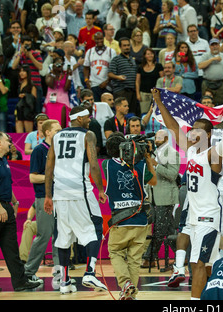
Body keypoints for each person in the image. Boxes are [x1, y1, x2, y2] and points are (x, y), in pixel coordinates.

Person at [152, 87, 223, 300]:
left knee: (197, 264)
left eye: (197, 130)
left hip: (208, 217)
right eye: (192, 130)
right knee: (206, 266)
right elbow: (171, 126)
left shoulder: (212, 154)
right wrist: (159, 102)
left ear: (207, 135)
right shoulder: (190, 150)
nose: (192, 133)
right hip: (195, 217)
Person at [44, 106, 108, 294]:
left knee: (63, 236)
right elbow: (94, 165)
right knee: (96, 226)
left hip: (60, 193)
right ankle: (89, 272)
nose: (90, 120)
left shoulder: (56, 137)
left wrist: (48, 195)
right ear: (79, 119)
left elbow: (49, 168)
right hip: (80, 191)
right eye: (87, 117)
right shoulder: (87, 135)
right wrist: (101, 189)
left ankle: (64, 282)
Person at [102, 132, 157, 300]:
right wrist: (146, 157)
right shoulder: (140, 165)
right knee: (134, 259)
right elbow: (153, 181)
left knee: (115, 251)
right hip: (140, 221)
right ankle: (130, 294)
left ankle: (125, 283)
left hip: (120, 220)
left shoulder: (106, 165)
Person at [0, 132, 39, 292]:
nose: (11, 142)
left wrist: (14, 201)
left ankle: (20, 281)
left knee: (11, 247)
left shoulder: (3, 159)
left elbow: (5, 184)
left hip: (6, 206)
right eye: (8, 140)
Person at [25, 119, 62, 285]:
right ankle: (28, 272)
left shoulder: (60, 149)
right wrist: (52, 177)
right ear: (47, 132)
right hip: (44, 198)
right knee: (43, 235)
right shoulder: (39, 151)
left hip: (60, 198)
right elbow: (33, 177)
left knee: (59, 236)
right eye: (57, 129)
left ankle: (59, 273)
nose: (60, 132)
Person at [142, 129, 180, 269]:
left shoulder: (172, 153)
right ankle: (181, 255)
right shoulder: (154, 152)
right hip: (154, 196)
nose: (155, 140)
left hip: (166, 196)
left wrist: (156, 165)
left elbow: (173, 175)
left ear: (165, 139)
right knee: (168, 228)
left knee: (159, 229)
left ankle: (149, 258)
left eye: (158, 137)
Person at [11, 35, 44, 114]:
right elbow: (13, 67)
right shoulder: (20, 55)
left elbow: (40, 67)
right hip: (24, 86)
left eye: (29, 45)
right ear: (22, 45)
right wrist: (19, 53)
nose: (27, 46)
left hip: (36, 84)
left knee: (37, 109)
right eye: (26, 44)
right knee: (25, 110)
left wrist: (31, 56)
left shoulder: (35, 54)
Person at [108, 37, 139, 116]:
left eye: (128, 45)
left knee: (132, 114)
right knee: (122, 114)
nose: (127, 47)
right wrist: (118, 77)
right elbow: (110, 74)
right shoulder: (116, 59)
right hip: (121, 90)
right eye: (124, 45)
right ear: (120, 47)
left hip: (132, 91)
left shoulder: (133, 59)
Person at [83, 31, 116, 102]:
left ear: (103, 38)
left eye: (101, 39)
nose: (99, 41)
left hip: (107, 85)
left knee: (107, 107)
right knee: (96, 107)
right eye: (97, 39)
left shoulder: (111, 51)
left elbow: (114, 70)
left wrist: (107, 81)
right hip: (94, 84)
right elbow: (86, 68)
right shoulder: (89, 52)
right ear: (94, 40)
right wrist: (86, 80)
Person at [198, 38, 223, 106]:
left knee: (221, 104)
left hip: (220, 84)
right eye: (212, 45)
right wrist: (212, 59)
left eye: (216, 45)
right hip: (207, 83)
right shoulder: (205, 56)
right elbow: (200, 66)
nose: (214, 47)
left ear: (219, 46)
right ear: (210, 47)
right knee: (206, 104)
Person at [44, 57, 72, 127]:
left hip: (63, 101)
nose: (59, 66)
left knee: (61, 124)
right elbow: (51, 85)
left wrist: (69, 76)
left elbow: (66, 88)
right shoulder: (49, 74)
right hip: (51, 101)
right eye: (57, 64)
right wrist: (54, 73)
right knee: (50, 124)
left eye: (61, 64)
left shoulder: (65, 74)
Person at [136, 48, 164, 115]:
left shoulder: (159, 66)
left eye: (152, 54)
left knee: (157, 113)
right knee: (144, 113)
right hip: (144, 93)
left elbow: (162, 80)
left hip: (155, 93)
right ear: (145, 56)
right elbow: (137, 81)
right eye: (148, 54)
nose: (150, 55)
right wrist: (138, 94)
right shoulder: (140, 67)